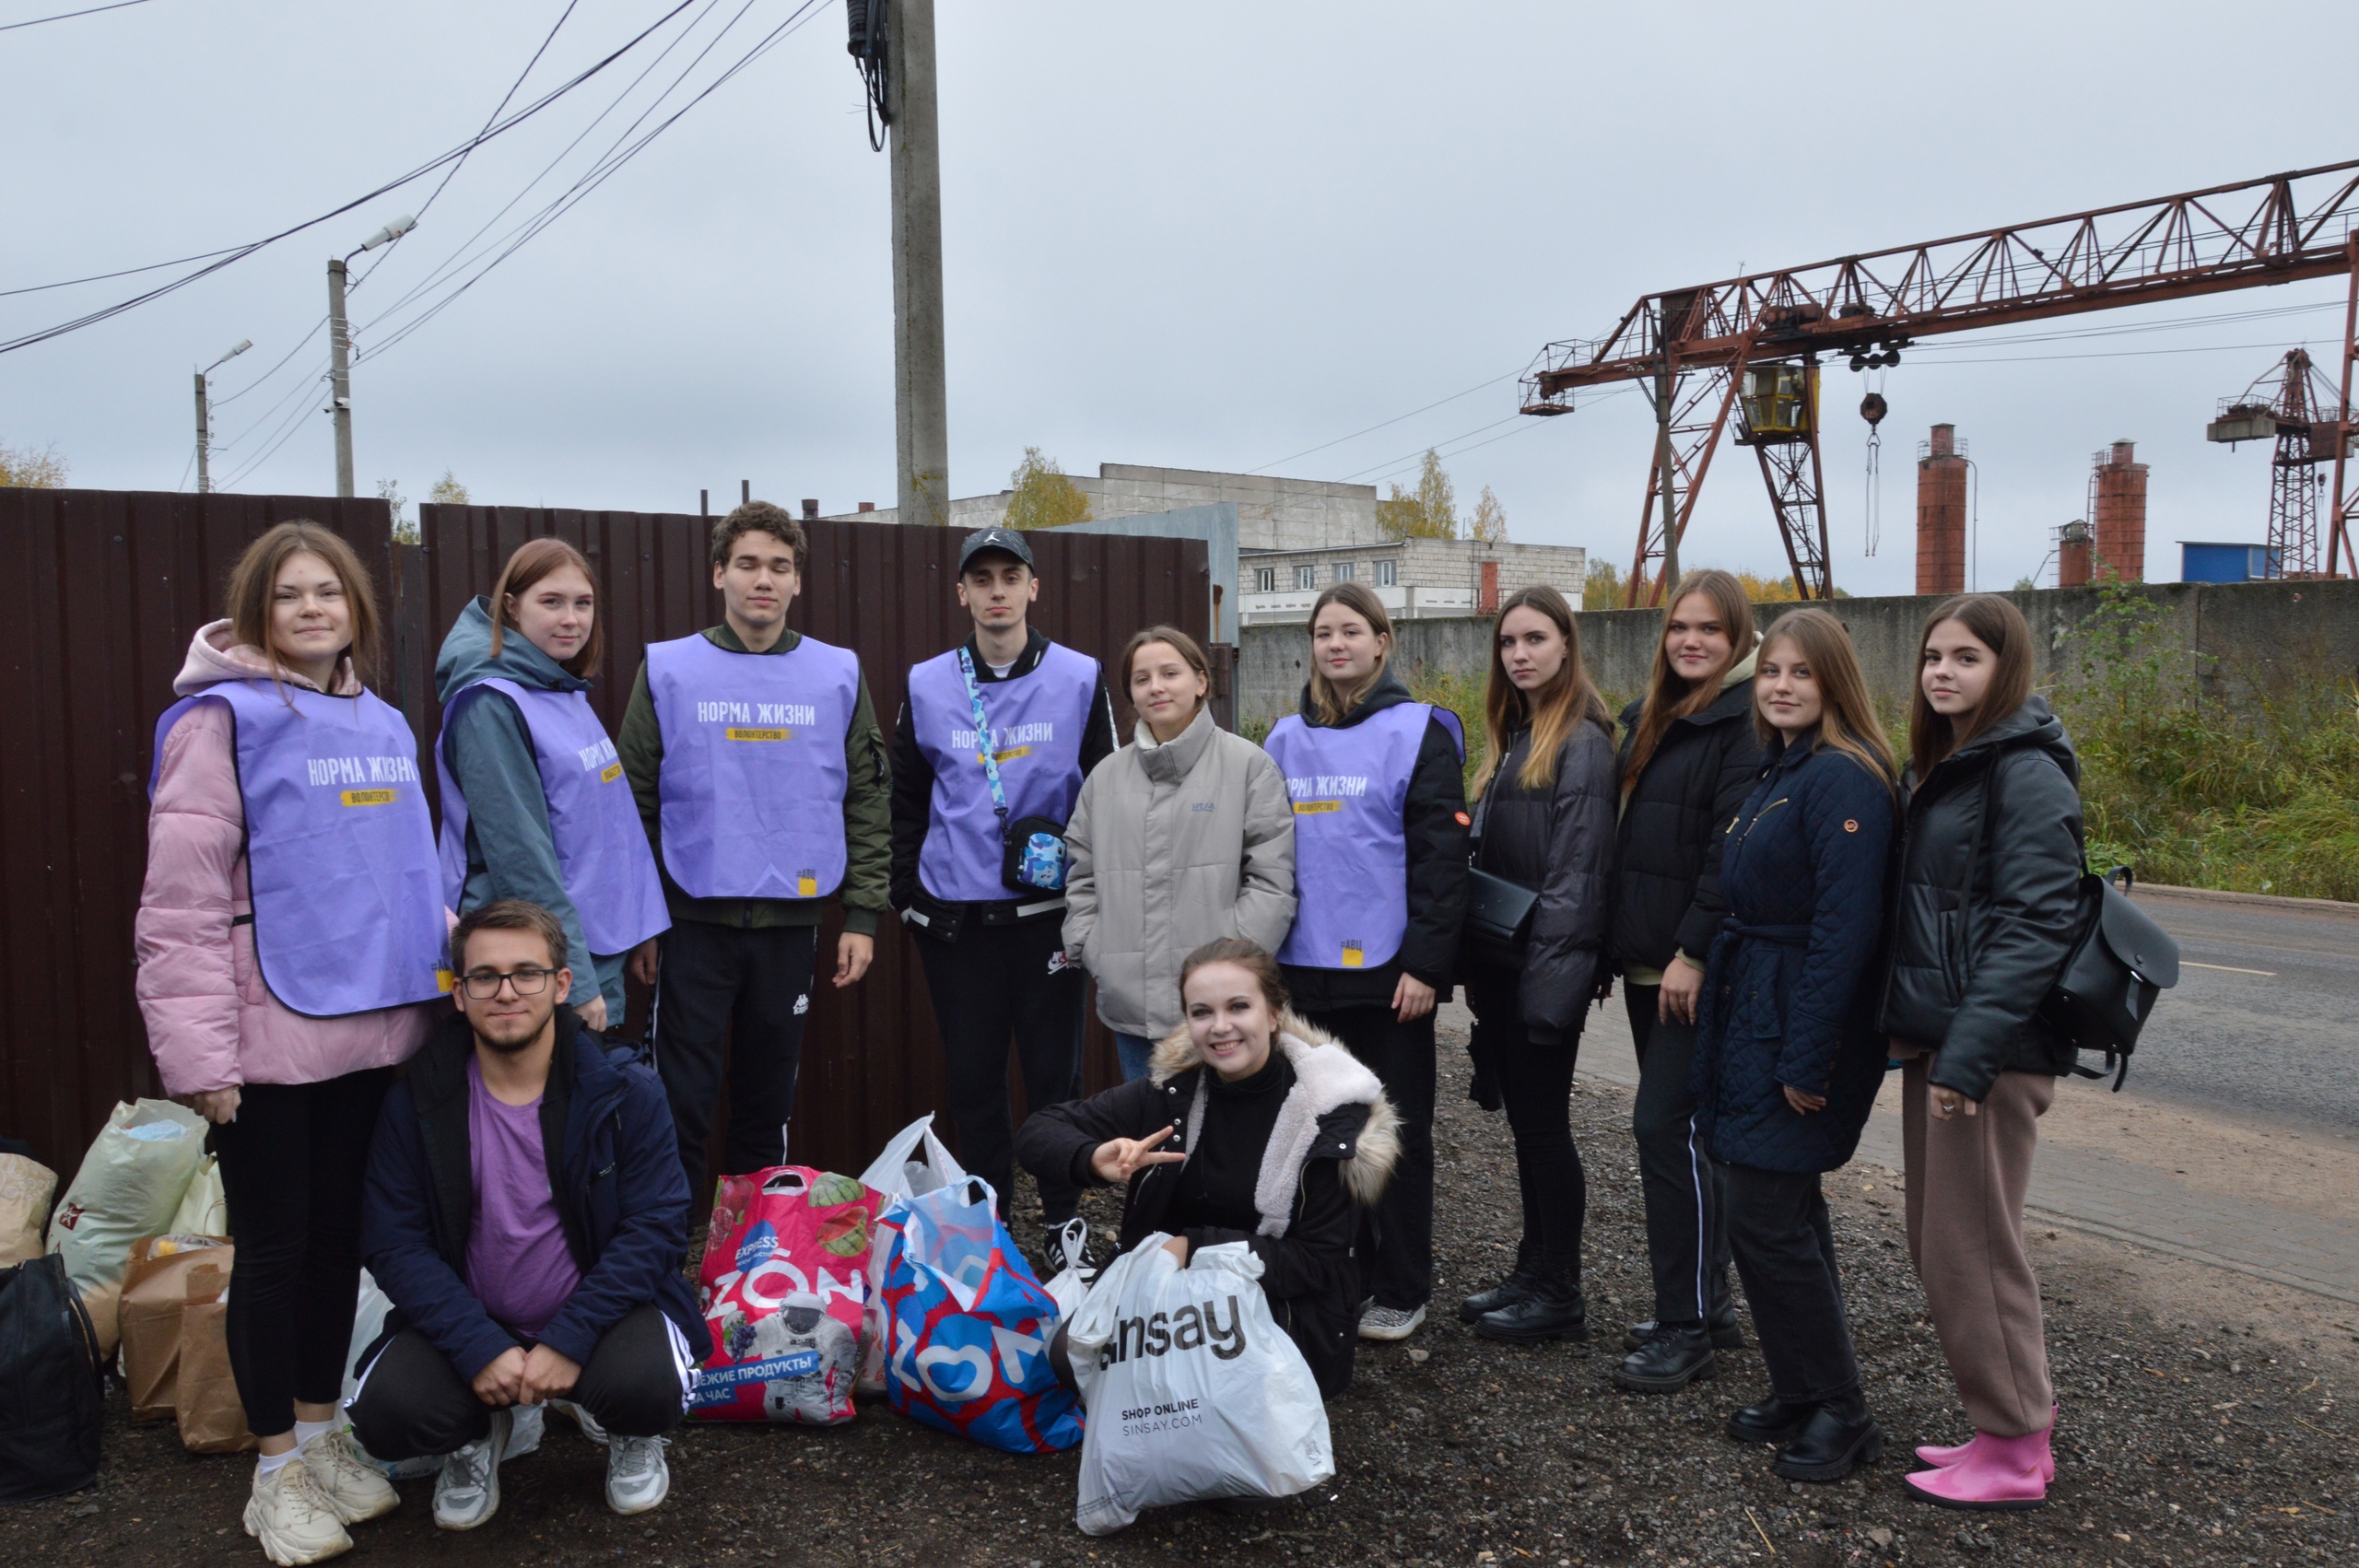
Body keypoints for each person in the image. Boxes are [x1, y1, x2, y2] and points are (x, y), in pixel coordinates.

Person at [135, 521, 443, 1565]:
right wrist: (200, 1060)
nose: (313, 610)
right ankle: (273, 1473)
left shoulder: (386, 723)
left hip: (372, 1034)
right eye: (290, 595)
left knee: (336, 1246)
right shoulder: (215, 722)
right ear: (257, 609)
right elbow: (177, 907)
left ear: (355, 607)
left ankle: (321, 1433)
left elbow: (414, 881)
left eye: (330, 593)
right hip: (266, 1042)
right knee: (272, 1252)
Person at [351, 900, 710, 1530]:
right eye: (485, 977)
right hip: (477, 1316)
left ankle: (628, 1432)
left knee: (647, 1388)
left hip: (601, 1317)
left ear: (562, 984)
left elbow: (657, 1228)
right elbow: (393, 1241)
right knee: (389, 1413)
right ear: (459, 994)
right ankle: (476, 1435)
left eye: (527, 973)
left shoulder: (626, 1091)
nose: (506, 992)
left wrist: (569, 1340)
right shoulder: (418, 1101)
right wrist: (476, 1345)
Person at [616, 501, 891, 1204]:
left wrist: (862, 913)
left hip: (789, 926)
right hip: (690, 926)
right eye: (747, 564)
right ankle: (664, 1249)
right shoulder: (670, 670)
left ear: (797, 581)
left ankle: (752, 1252)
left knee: (767, 1105)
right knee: (679, 1099)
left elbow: (867, 795)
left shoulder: (836, 674)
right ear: (719, 574)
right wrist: (644, 919)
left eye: (779, 565)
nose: (762, 579)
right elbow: (632, 802)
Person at [1880, 593, 2084, 1511]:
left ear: (2005, 669)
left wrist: (1965, 1059)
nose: (1942, 671)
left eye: (1965, 656)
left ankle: (2012, 1446)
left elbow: (2034, 922)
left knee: (1974, 1250)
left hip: (1988, 1053)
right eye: (1933, 655)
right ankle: (2001, 1428)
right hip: (1950, 1041)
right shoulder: (1961, 763)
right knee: (1944, 1241)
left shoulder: (2024, 769)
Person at [1688, 608, 1898, 1482]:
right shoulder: (1784, 770)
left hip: (1797, 1021)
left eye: (1801, 674)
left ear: (1834, 683)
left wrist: (1808, 1058)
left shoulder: (1844, 780)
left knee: (1765, 1220)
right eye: (1771, 670)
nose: (1780, 686)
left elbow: (1845, 934)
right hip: (1756, 1006)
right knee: (1782, 1216)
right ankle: (1802, 1388)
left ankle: (1844, 1413)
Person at [1015, 938, 1398, 1398]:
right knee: (1065, 1358)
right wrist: (1093, 1158)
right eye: (1201, 1012)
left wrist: (1192, 1246)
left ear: (1274, 1013)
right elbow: (1039, 1131)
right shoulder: (1172, 1092)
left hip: (1278, 1306)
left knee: (1211, 1407)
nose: (1220, 1027)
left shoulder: (1330, 1114)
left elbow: (1316, 1263)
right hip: (1168, 1291)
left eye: (1238, 1007)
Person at [889, 525, 1117, 1258]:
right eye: (981, 579)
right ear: (962, 593)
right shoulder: (927, 680)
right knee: (975, 1083)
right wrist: (906, 897)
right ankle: (987, 1226)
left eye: (1009, 578)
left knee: (1056, 1078)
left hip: (1046, 918)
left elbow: (1106, 793)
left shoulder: (1080, 676)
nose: (996, 592)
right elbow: (904, 799)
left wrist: (1093, 900)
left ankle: (1061, 1224)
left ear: (1032, 589)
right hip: (957, 923)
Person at [1262, 582, 1467, 1343]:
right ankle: (1337, 1274)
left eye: (1352, 630)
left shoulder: (1420, 730)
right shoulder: (1282, 738)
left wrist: (1427, 966)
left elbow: (1442, 863)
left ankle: (1402, 1285)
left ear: (1383, 642)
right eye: (1323, 633)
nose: (1336, 644)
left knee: (1395, 1135)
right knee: (1319, 1139)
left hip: (1390, 978)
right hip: (1304, 975)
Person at [1609, 568, 1762, 1391]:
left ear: (1737, 636)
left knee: (1662, 1130)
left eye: (1709, 629)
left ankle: (1685, 1328)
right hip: (1646, 965)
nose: (1691, 641)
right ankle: (1713, 1304)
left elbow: (1724, 855)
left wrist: (1695, 951)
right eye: (1679, 629)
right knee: (1689, 1138)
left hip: (1689, 972)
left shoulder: (1743, 724)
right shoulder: (1654, 718)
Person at [1456, 585, 1617, 1344]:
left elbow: (1576, 880)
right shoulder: (1519, 734)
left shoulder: (1580, 743)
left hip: (1541, 974)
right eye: (1509, 643)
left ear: (1566, 647)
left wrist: (1550, 996)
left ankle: (1560, 1291)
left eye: (1535, 640)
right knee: (1528, 1127)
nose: (1520, 655)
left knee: (1546, 1130)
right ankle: (1532, 1269)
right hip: (1509, 969)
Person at [434, 538, 666, 1035]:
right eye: (552, 602)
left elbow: (613, 825)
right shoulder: (490, 705)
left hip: (589, 945)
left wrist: (639, 928)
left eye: (583, 604)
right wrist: (575, 982)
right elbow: (522, 859)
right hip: (534, 963)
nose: (571, 619)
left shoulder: (557, 687)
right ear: (512, 608)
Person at [1062, 626, 1296, 1082]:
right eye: (1142, 678)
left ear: (1201, 681)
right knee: (1156, 1141)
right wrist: (1096, 950)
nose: (1157, 687)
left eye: (1170, 673)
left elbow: (1272, 880)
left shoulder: (1248, 767)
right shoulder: (1105, 779)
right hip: (1132, 1007)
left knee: (1228, 1141)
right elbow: (1081, 876)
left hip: (1224, 1011)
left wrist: (1234, 966)